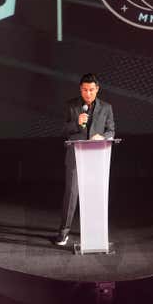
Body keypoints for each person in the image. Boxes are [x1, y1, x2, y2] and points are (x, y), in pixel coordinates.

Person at [54, 73, 115, 246]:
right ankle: (63, 232)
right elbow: (63, 129)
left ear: (97, 90)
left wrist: (102, 137)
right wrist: (76, 123)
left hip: (97, 156)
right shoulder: (71, 106)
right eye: (84, 90)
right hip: (75, 155)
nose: (87, 93)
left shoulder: (106, 108)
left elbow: (111, 130)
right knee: (71, 194)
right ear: (80, 89)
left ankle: (94, 231)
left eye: (91, 90)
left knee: (96, 194)